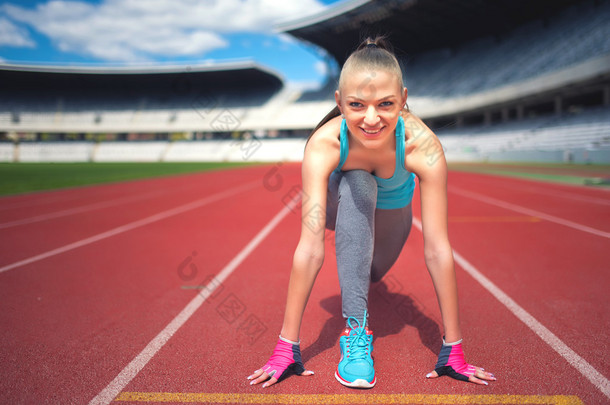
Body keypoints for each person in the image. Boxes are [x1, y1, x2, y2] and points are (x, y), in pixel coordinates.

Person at [247, 36, 496, 389]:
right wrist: (286, 348)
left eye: (386, 104)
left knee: (372, 272)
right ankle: (356, 336)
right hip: (340, 206)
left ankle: (363, 272)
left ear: (404, 100)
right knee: (358, 183)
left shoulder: (421, 146)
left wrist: (453, 350)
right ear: (339, 102)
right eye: (357, 104)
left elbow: (438, 248)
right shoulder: (326, 143)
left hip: (393, 216)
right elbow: (310, 246)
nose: (372, 118)